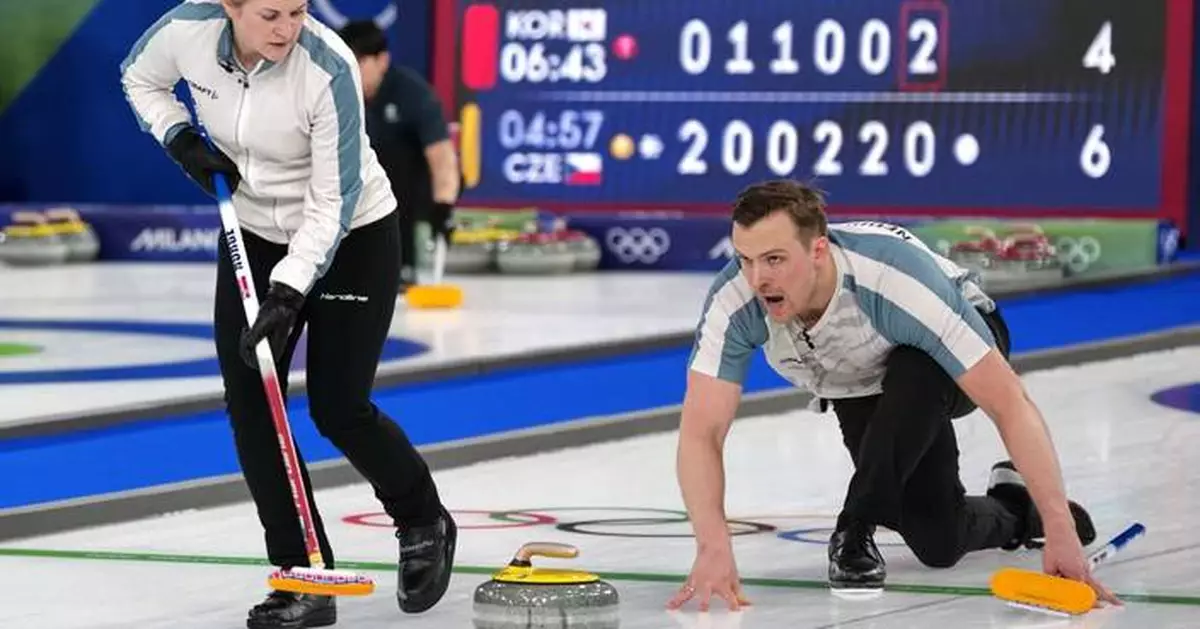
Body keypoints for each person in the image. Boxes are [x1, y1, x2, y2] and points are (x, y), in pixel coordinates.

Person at [119, 1, 456, 626]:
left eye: (298, 11)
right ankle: (304, 574)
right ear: (229, 7)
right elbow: (138, 77)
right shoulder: (186, 31)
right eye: (270, 14)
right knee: (252, 404)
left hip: (350, 234)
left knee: (337, 405)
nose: (287, 29)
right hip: (251, 228)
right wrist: (179, 136)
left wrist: (288, 292)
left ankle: (421, 517)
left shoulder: (328, 67)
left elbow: (333, 202)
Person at [667, 179, 1118, 611]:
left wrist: (1060, 524)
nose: (757, 278)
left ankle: (854, 525)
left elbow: (1009, 404)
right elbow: (701, 432)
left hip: (942, 358)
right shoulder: (734, 301)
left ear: (818, 249)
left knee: (914, 367)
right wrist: (711, 545)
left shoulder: (892, 279)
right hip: (858, 379)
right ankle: (1016, 510)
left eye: (774, 259)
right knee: (938, 539)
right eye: (745, 260)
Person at [336, 19, 460, 294]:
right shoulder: (336, 93)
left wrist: (444, 206)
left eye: (360, 61)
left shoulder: (414, 95)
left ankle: (405, 266)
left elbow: (442, 157)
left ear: (382, 60)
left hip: (409, 187)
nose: (352, 70)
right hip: (358, 185)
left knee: (394, 161)